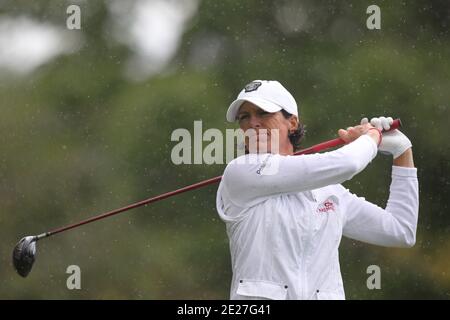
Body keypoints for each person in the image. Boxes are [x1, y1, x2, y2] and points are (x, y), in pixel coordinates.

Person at [216, 80, 418, 300]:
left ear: (292, 122)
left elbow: (401, 231)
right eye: (244, 117)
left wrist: (402, 151)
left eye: (263, 113)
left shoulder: (330, 191)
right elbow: (348, 164)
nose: (252, 123)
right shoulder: (240, 172)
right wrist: (371, 136)